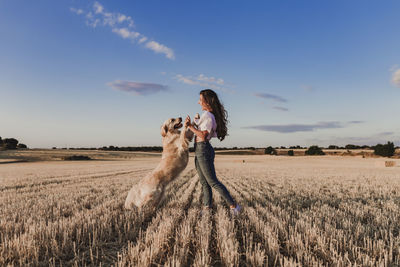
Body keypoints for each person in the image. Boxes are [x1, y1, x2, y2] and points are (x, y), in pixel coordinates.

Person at [184, 89, 241, 216]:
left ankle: (234, 206)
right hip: (199, 149)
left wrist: (190, 126)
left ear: (207, 101)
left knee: (212, 181)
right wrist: (195, 121)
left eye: (200, 100)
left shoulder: (209, 116)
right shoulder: (207, 115)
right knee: (204, 182)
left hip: (203, 149)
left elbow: (203, 135)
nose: (198, 102)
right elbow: (202, 130)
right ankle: (207, 208)